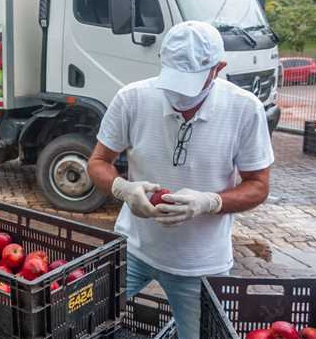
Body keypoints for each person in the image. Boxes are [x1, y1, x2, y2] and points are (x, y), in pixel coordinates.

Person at [87, 21, 274, 339]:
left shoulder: (245, 110)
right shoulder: (131, 99)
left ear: (219, 68)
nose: (178, 92)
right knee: (84, 317)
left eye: (191, 82)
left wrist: (210, 202)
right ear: (162, 60)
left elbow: (258, 185)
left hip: (200, 262)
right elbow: (98, 162)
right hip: (133, 246)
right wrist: (124, 189)